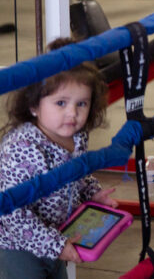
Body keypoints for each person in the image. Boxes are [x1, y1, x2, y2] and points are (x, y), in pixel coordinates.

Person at [0, 39, 117, 279]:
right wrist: (55, 245)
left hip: (57, 234)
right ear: (34, 105)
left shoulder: (76, 137)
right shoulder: (23, 148)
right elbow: (12, 213)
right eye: (61, 103)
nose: (72, 113)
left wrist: (92, 193)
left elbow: (78, 174)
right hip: (16, 246)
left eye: (81, 103)